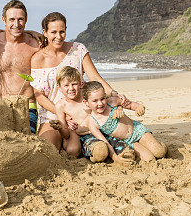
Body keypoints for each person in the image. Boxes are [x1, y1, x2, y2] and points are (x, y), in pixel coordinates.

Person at [31, 11, 129, 151]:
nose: (58, 37)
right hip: (54, 115)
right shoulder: (37, 59)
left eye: (62, 31)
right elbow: (39, 96)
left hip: (83, 111)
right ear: (44, 32)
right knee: (48, 149)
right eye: (53, 32)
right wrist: (63, 115)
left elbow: (94, 77)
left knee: (114, 137)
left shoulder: (78, 49)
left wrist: (114, 94)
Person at [51, 66, 135, 165]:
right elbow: (66, 134)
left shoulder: (88, 95)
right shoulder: (61, 105)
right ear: (59, 87)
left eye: (74, 84)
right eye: (66, 85)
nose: (71, 88)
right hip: (85, 136)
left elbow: (107, 99)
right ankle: (94, 155)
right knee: (98, 151)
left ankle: (110, 153)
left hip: (103, 131)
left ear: (81, 84)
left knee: (127, 152)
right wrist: (60, 127)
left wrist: (118, 106)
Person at [0, 0, 41, 134]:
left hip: (28, 107)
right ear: (4, 20)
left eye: (20, 19)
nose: (16, 24)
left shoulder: (36, 45)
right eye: (12, 19)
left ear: (26, 20)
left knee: (27, 141)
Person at [82, 81, 168, 161]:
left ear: (105, 96)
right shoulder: (92, 123)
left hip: (137, 130)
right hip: (129, 142)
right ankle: (142, 147)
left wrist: (138, 107)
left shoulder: (111, 102)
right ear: (86, 102)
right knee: (150, 159)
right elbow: (106, 143)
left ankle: (163, 146)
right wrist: (115, 158)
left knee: (159, 152)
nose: (100, 103)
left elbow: (130, 105)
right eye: (95, 101)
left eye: (102, 99)